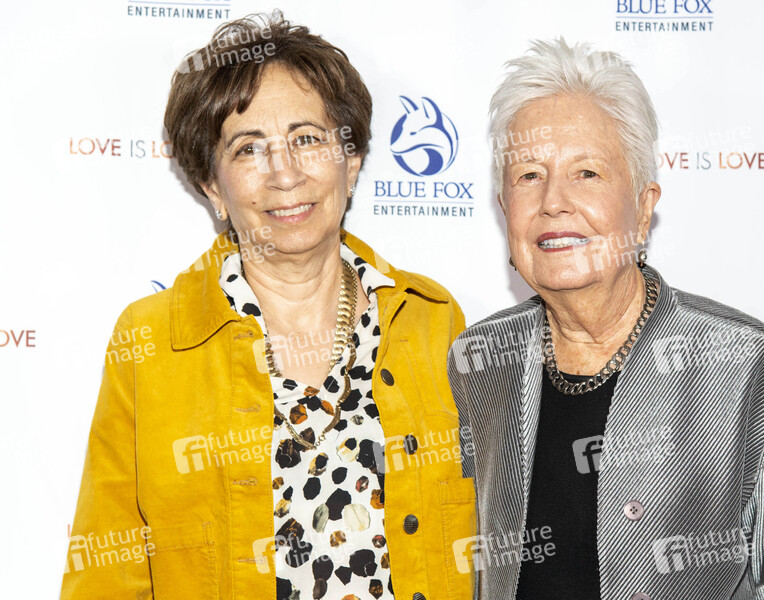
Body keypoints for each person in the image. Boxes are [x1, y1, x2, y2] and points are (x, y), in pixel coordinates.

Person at [61, 11, 475, 600]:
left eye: (307, 139)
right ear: (213, 187)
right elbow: (106, 576)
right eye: (249, 148)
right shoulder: (150, 343)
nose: (284, 174)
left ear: (351, 161)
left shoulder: (432, 320)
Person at [448, 39, 764, 600]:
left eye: (586, 172)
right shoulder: (479, 362)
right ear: (505, 208)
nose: (553, 202)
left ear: (644, 205)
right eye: (528, 175)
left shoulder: (752, 370)